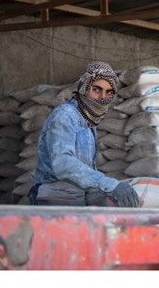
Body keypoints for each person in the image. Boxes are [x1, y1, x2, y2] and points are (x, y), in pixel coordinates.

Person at [29, 61, 139, 207]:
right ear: (84, 87)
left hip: (75, 194)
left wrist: (95, 189)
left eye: (108, 92)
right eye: (96, 89)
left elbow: (84, 169)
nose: (101, 97)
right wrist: (108, 184)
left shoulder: (88, 119)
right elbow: (62, 163)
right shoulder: (65, 116)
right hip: (54, 195)